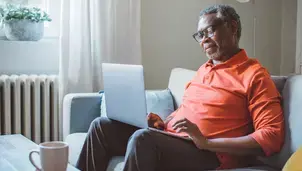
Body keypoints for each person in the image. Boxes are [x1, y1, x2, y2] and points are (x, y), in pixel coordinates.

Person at [76, 4, 285, 171]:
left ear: (232, 27)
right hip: (174, 140)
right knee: (101, 126)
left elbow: (271, 136)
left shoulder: (255, 75)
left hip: (209, 153)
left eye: (210, 30)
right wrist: (162, 122)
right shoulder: (204, 70)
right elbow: (191, 112)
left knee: (143, 140)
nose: (203, 40)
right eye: (199, 35)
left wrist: (207, 143)